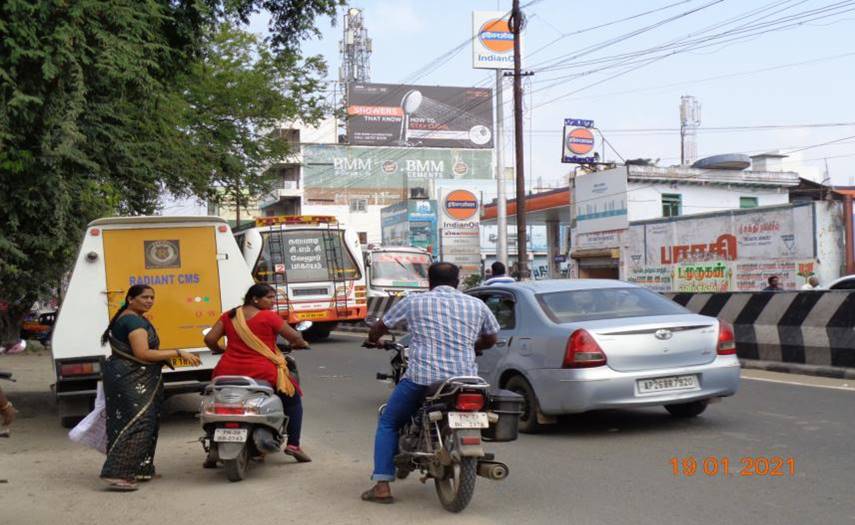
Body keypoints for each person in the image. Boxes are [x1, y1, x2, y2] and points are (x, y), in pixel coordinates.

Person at [360, 262, 500, 504]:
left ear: (429, 281)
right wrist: (473, 346)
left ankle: (382, 486)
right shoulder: (476, 304)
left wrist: (373, 338)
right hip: (465, 380)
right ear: (458, 282)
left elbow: (381, 326)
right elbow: (491, 338)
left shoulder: (414, 302)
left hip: (423, 378)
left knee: (389, 421)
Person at [100, 284, 201, 491]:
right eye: (145, 297)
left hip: (128, 376)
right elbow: (143, 354)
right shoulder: (132, 321)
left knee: (142, 421)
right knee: (139, 423)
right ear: (130, 299)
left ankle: (139, 468)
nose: (149, 301)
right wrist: (178, 352)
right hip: (131, 378)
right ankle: (118, 473)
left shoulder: (131, 318)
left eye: (152, 298)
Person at [203, 283, 311, 464]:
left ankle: (213, 445)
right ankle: (293, 445)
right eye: (269, 298)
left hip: (226, 372)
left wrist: (220, 349)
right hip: (261, 372)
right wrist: (301, 343)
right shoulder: (268, 317)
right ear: (255, 299)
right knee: (293, 400)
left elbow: (209, 339)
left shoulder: (230, 315)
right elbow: (295, 337)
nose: (273, 302)